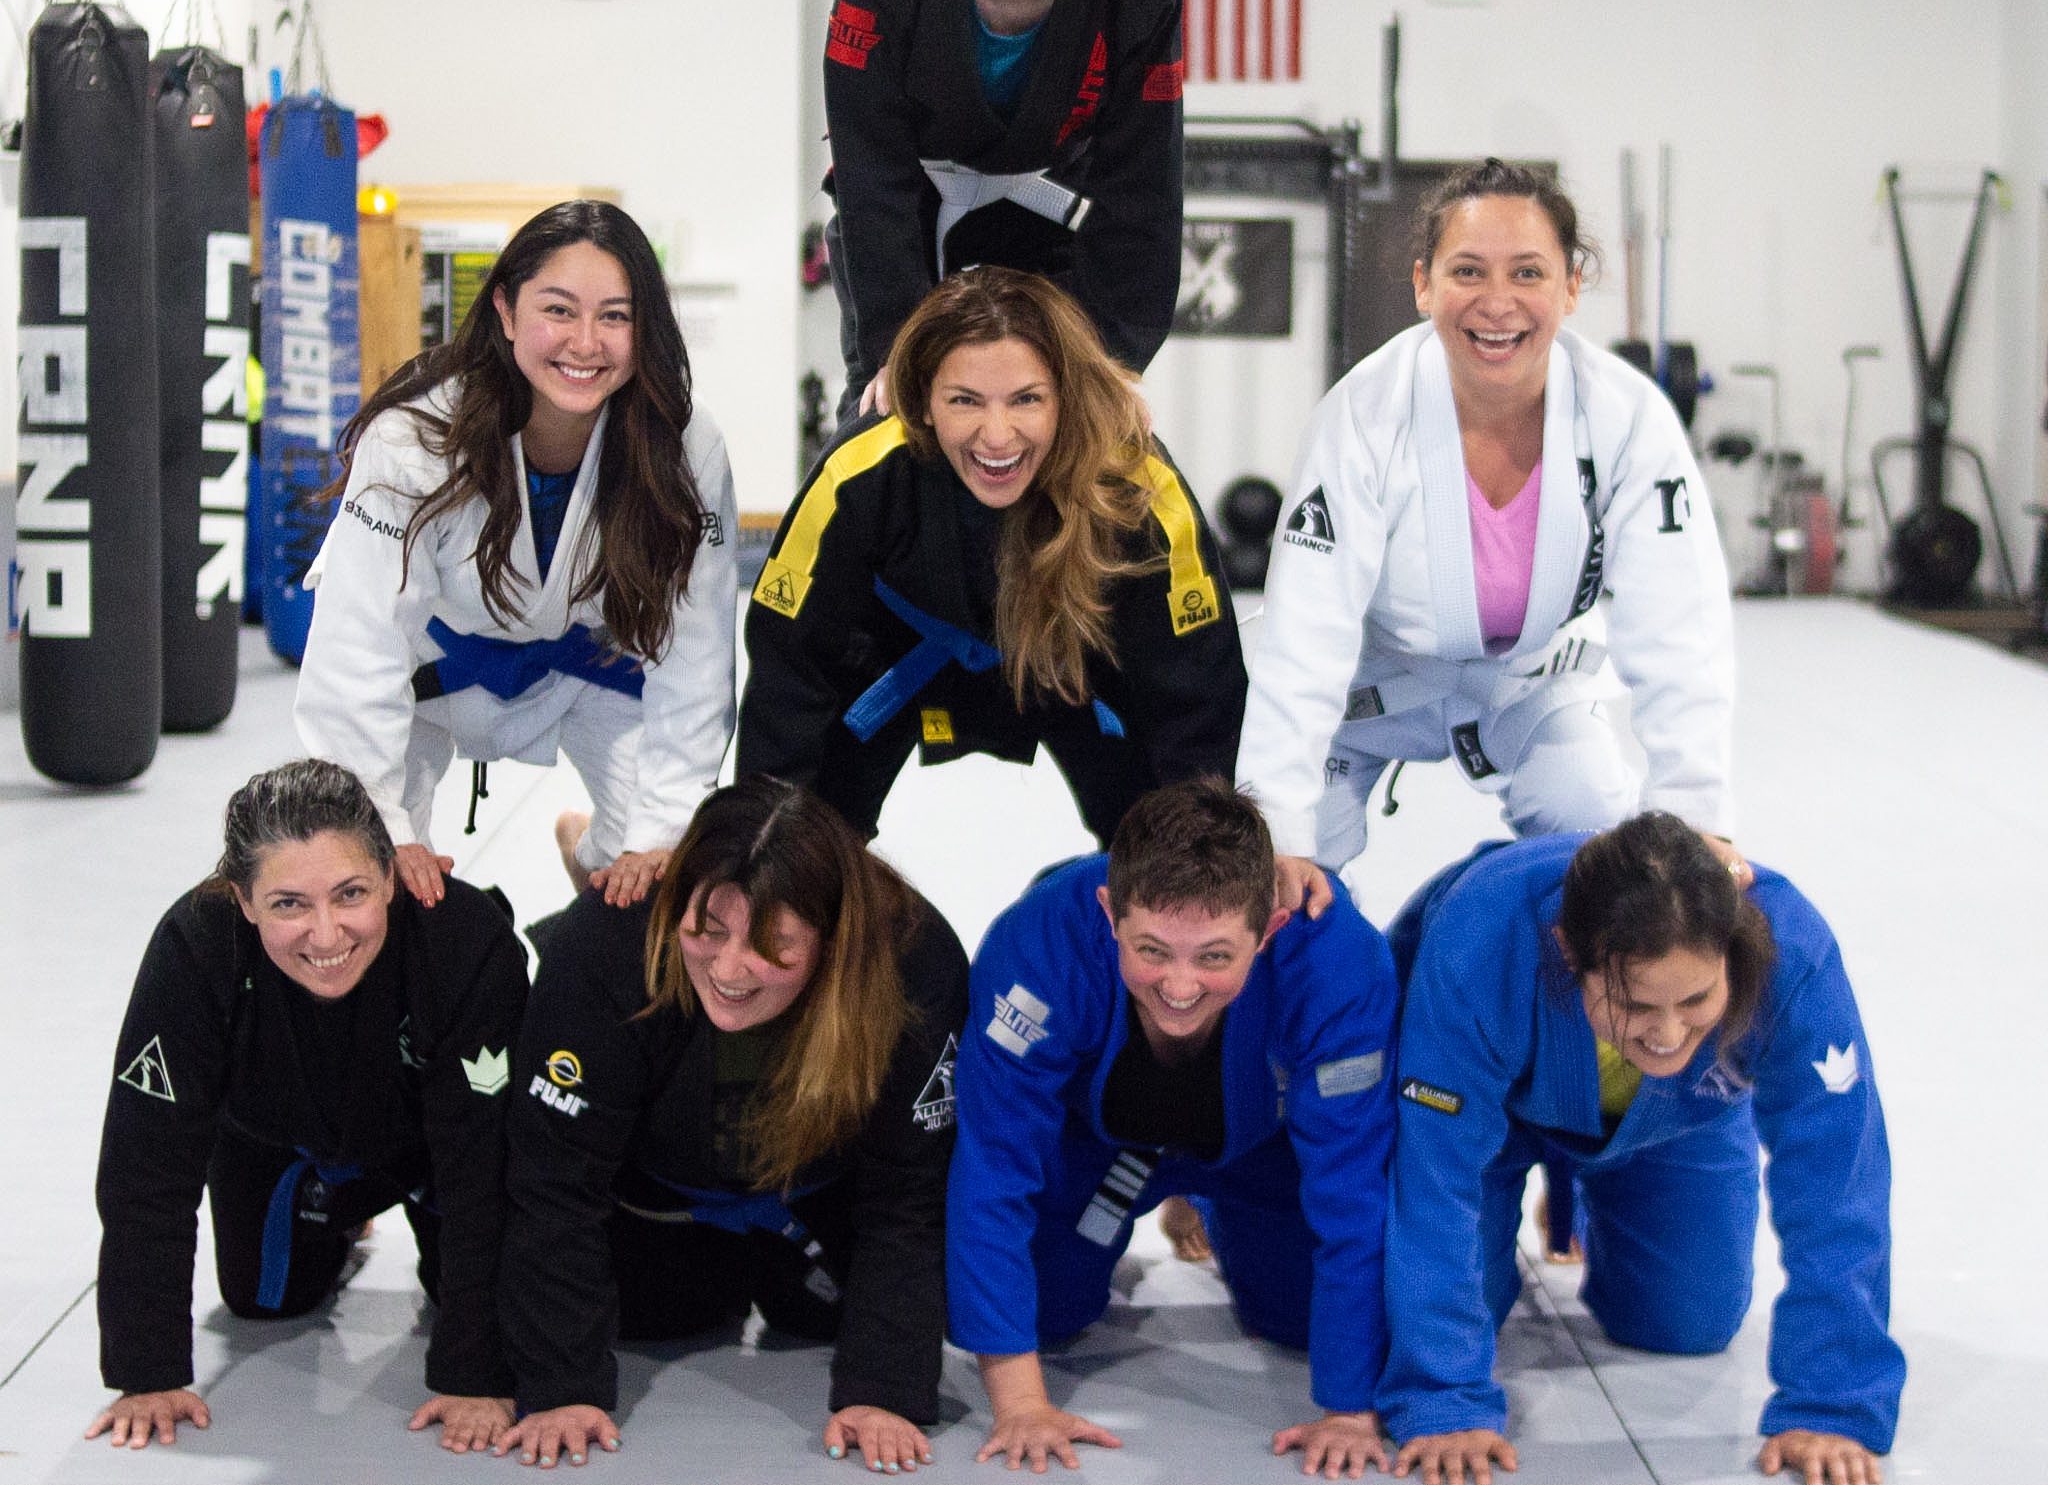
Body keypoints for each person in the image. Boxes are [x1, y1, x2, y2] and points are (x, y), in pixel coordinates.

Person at [1236, 158, 1747, 916]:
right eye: (1468, 270)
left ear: (1572, 286)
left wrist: (1695, 812)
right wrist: (1277, 819)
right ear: (1423, 285)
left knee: (1600, 843)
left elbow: (1679, 622)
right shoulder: (1365, 414)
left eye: (1529, 272)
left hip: (1531, 677)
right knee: (1271, 886)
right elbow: (1308, 625)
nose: (1497, 303)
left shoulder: (1625, 418)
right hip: (1365, 680)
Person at [1380, 813, 1903, 1485]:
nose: (1666, 1032)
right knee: (1375, 1313)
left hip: (1678, 1118)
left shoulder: (1791, 952)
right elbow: (1434, 1178)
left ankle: (1597, 1187)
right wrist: (1441, 1394)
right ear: (1568, 952)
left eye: (1696, 999)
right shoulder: (1482, 940)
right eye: (1634, 1002)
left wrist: (1835, 1403)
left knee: (1689, 1320)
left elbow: (1839, 1178)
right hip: (1493, 1115)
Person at [495, 777, 969, 1472]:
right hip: (660, 1182)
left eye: (772, 945)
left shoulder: (915, 962)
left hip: (810, 1187)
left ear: (833, 940)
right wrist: (563, 1386)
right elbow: (554, 1179)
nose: (728, 968)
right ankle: (588, 855)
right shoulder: (607, 939)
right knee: (660, 1316)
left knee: (824, 1317)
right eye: (707, 929)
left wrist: (884, 1391)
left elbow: (908, 1196)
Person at [949, 779, 1399, 1477]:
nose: (1180, 985)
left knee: (1299, 1319)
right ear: (1110, 914)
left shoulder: (1334, 960)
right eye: (1152, 949)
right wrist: (1021, 1404)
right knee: (1046, 1314)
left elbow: (1354, 1189)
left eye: (1215, 956)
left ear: (1269, 929)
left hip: (1259, 1149)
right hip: (1104, 1152)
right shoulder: (1040, 943)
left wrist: (1347, 1411)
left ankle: (1212, 1200)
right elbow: (992, 1169)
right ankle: (1136, 1206)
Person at [297, 200, 737, 911]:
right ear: (504, 310)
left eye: (616, 316)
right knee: (367, 883)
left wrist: (660, 833)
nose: (586, 342)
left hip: (587, 670)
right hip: (428, 677)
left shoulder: (682, 443)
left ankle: (584, 845)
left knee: (667, 888)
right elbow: (359, 639)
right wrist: (381, 821)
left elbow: (698, 647)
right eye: (558, 310)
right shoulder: (415, 431)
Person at [87, 759, 529, 1454]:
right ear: (243, 898)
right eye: (289, 903)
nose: (326, 935)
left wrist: (474, 1373)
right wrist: (148, 1371)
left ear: (392, 874)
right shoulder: (196, 944)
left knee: (468, 1299)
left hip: (432, 1145)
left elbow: (487, 1166)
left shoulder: (465, 942)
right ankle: (343, 1219)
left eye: (350, 893)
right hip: (280, 1140)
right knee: (264, 1301)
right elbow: (147, 1165)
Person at [739, 265, 1243, 852]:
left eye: (1027, 399)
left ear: (1065, 399)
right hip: (898, 657)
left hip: (1077, 660)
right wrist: (763, 856)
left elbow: (1199, 700)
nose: (997, 436)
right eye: (965, 401)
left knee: (1175, 840)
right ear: (922, 403)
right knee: (795, 839)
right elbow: (787, 679)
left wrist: (1203, 867)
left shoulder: (1137, 489)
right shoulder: (858, 480)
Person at [824, 0, 1184, 422]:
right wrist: (895, 352)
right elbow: (872, 175)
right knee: (889, 417)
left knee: (1071, 425)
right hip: (906, 220)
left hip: (1052, 216)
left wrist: (1115, 361)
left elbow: (1143, 190)